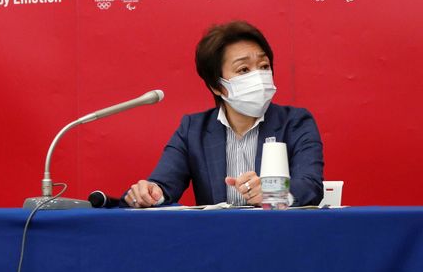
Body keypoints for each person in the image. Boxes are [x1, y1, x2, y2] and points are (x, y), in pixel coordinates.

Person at [125, 21, 323, 208]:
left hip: (278, 235)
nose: (258, 76)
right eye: (244, 69)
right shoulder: (193, 130)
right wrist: (151, 192)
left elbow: (311, 186)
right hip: (217, 239)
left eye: (264, 66)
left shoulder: (295, 122)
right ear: (218, 87)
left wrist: (273, 193)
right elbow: (163, 184)